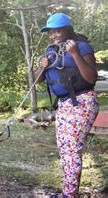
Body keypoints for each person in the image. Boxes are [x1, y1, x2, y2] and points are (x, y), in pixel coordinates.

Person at [36, 13, 99, 197]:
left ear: (67, 30)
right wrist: (42, 66)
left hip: (82, 101)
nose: (53, 36)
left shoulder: (82, 47)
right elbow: (37, 80)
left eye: (57, 31)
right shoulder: (51, 51)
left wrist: (75, 54)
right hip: (64, 104)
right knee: (66, 150)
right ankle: (69, 193)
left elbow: (91, 78)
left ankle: (69, 195)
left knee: (71, 150)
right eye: (50, 33)